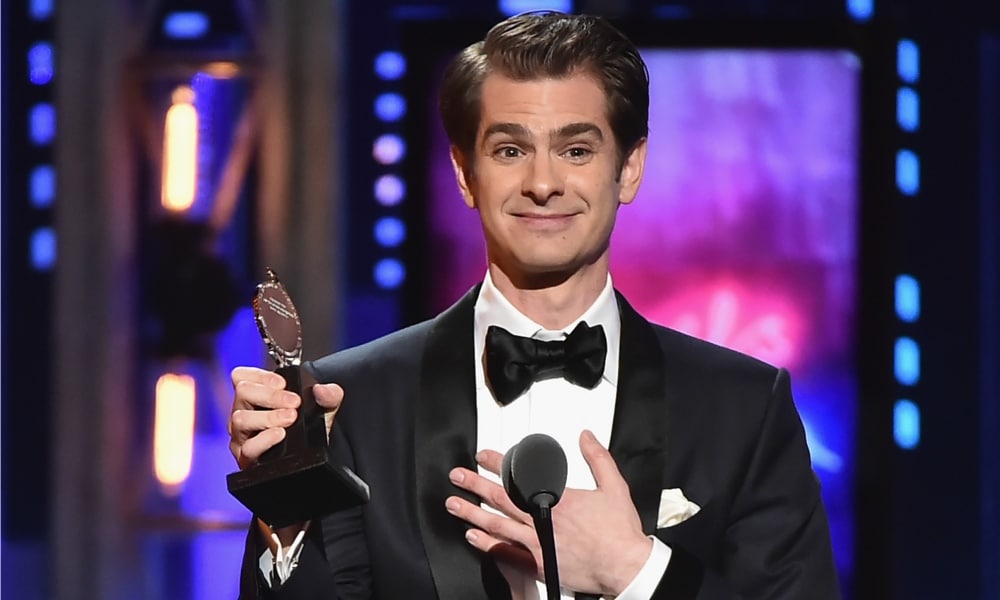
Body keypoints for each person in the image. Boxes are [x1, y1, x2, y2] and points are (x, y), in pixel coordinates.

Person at [228, 11, 840, 600]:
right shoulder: (354, 401)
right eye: (510, 151)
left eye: (576, 151)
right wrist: (288, 501)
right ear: (465, 174)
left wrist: (638, 571)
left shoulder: (742, 409)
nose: (543, 183)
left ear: (628, 169)